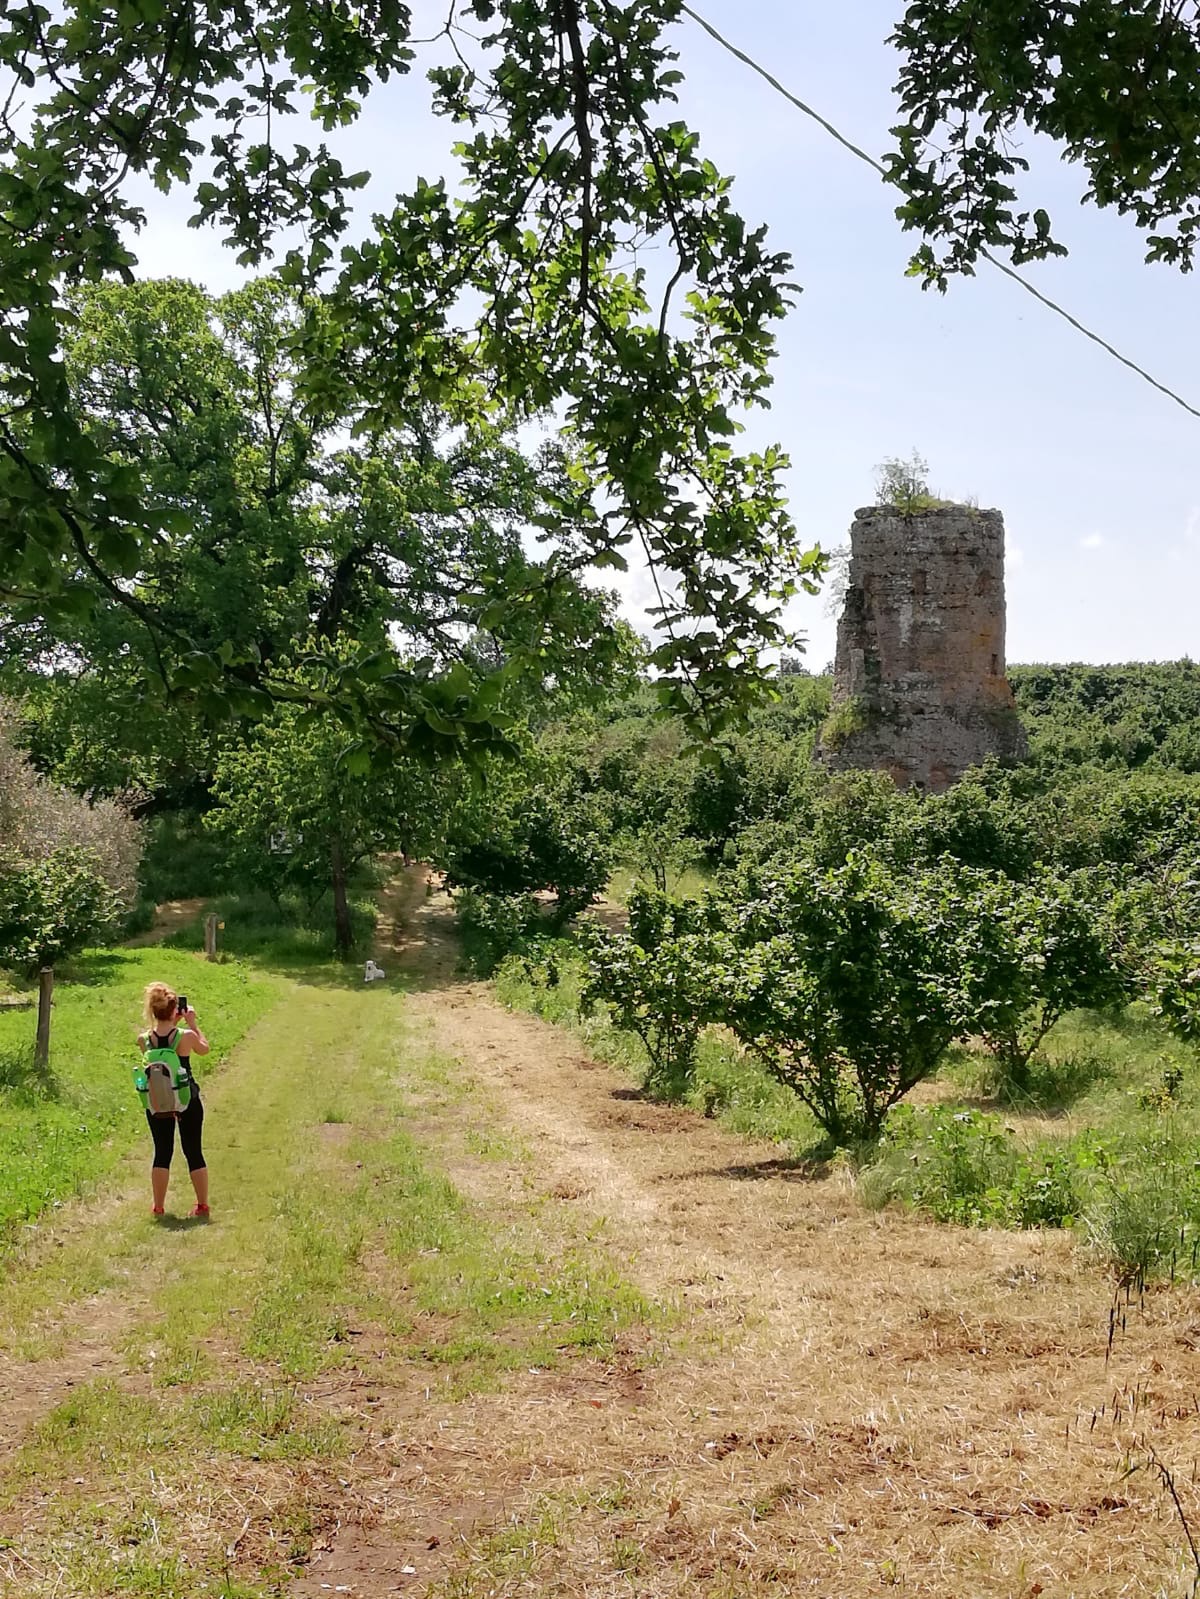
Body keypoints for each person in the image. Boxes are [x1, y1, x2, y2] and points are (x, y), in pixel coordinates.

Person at [137, 982, 211, 1219]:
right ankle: (201, 1205)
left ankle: (158, 1206)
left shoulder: (144, 1039)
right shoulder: (186, 1036)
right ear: (175, 1010)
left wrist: (171, 1022)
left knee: (162, 1151)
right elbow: (204, 1049)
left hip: (158, 1101)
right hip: (186, 1098)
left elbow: (161, 1045)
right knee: (193, 1150)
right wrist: (192, 1023)